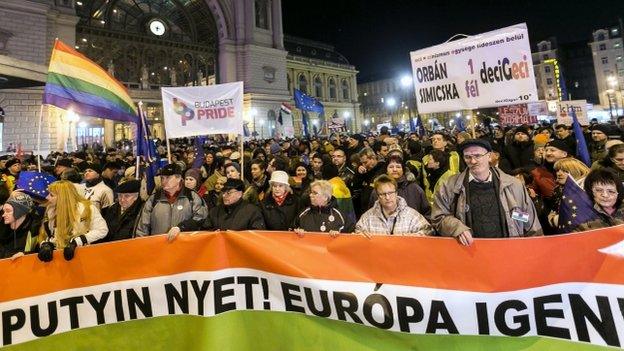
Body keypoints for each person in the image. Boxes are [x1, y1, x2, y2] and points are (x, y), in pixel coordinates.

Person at [432, 139, 542, 246]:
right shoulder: (450, 186)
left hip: (508, 251)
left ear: (489, 156)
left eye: (477, 156)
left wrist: (512, 214)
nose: (473, 161)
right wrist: (456, 228)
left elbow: (530, 221)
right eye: (467, 157)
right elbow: (439, 217)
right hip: (469, 252)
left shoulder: (513, 185)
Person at [37, 180, 108, 262]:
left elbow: (102, 230)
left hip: (83, 257)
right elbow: (47, 234)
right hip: (59, 259)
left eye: (51, 195)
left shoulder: (87, 208)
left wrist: (79, 241)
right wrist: (46, 244)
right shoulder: (50, 210)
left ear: (63, 197)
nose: (47, 197)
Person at [135, 164, 208, 237]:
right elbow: (142, 227)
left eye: (168, 178)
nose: (164, 181)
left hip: (184, 245)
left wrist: (182, 227)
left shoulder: (192, 196)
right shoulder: (154, 198)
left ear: (179, 178)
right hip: (159, 246)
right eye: (162, 178)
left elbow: (201, 218)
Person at [355, 175, 433, 236]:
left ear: (396, 193)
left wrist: (412, 237)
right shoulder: (367, 218)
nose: (387, 197)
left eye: (390, 193)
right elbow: (357, 233)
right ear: (378, 196)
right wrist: (360, 236)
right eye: (382, 194)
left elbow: (428, 231)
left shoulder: (412, 215)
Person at [199, 178, 266, 232]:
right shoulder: (215, 211)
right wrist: (213, 233)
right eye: (223, 192)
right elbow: (205, 231)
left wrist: (236, 236)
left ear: (240, 194)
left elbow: (257, 234)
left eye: (229, 193)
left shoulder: (252, 211)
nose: (224, 195)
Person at [0, 192, 42, 259]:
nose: (3, 215)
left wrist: (25, 254)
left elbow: (40, 252)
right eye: (4, 211)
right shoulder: (3, 227)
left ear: (20, 212)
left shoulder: (34, 228)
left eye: (8, 211)